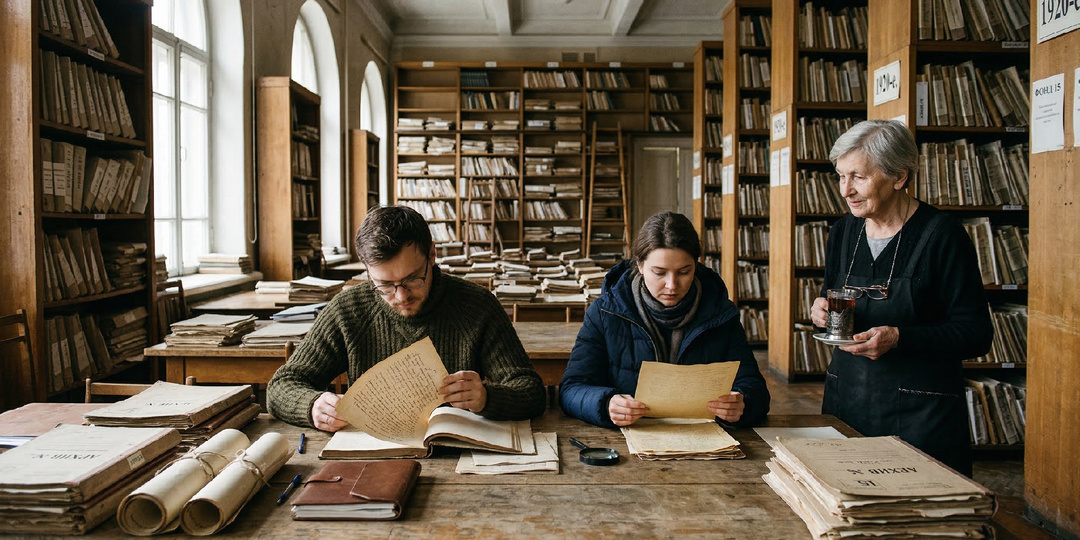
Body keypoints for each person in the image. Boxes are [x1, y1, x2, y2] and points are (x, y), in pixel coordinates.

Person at [810, 120, 993, 476]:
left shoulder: (943, 236)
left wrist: (900, 338)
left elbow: (976, 333)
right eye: (840, 176)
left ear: (899, 177)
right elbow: (832, 294)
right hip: (846, 402)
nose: (845, 190)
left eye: (858, 177)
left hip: (922, 416)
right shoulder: (843, 232)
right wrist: (820, 308)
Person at [267, 206, 547, 431]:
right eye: (385, 285)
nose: (401, 296)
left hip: (456, 456)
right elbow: (282, 385)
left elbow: (531, 392)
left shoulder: (477, 306)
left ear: (433, 255)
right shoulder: (347, 310)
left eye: (413, 278)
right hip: (369, 458)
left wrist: (487, 397)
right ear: (367, 271)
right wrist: (314, 404)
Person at [559, 211, 770, 429]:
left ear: (696, 266)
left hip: (702, 439)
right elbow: (571, 389)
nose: (672, 285)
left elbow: (756, 389)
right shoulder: (605, 313)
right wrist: (605, 404)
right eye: (659, 273)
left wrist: (742, 402)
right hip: (629, 439)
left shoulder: (721, 315)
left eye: (684, 272)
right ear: (639, 265)